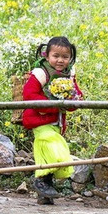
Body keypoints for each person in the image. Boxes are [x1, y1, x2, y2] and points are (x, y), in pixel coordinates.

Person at [21, 36, 82, 204]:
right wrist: (56, 106)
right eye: (56, 56)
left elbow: (76, 95)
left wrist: (73, 101)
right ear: (47, 56)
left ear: (70, 58)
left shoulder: (69, 74)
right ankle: (40, 182)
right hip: (39, 120)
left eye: (65, 57)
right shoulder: (40, 73)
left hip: (57, 122)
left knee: (46, 154)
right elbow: (29, 95)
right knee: (54, 147)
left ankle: (44, 192)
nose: (60, 60)